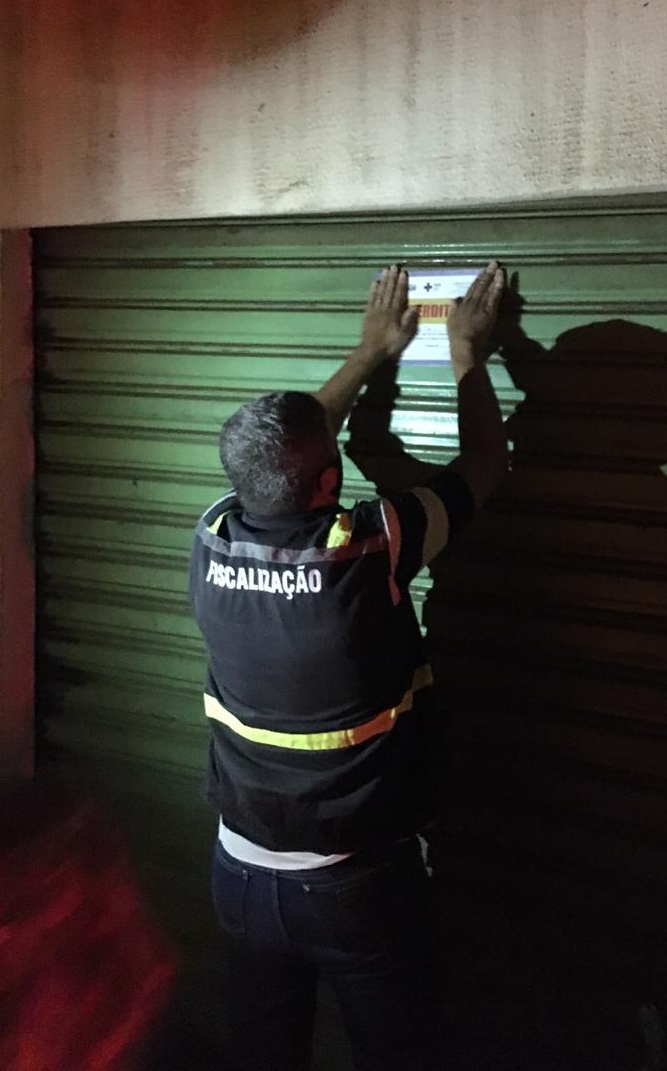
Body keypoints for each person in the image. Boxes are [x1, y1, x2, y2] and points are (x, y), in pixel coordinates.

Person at [189, 261, 507, 1071]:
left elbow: (287, 459)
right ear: (329, 480)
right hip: (352, 883)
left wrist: (368, 355)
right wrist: (467, 355)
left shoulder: (214, 537)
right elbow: (482, 466)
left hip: (239, 871)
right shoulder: (366, 550)